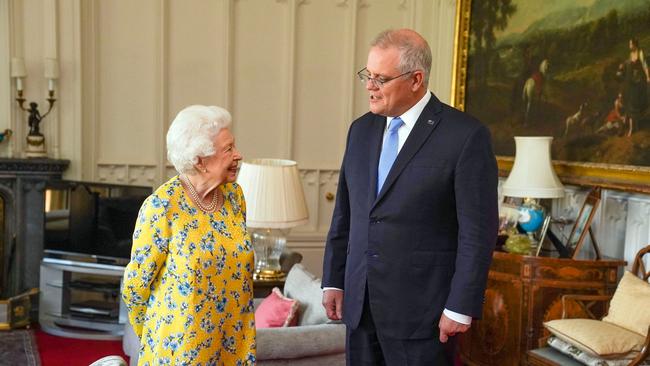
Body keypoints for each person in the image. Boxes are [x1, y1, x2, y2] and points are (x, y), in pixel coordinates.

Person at [321, 29, 498, 365]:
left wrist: (460, 305)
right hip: (360, 307)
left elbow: (478, 233)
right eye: (367, 76)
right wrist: (333, 279)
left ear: (416, 79)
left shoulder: (465, 136)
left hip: (423, 315)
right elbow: (346, 214)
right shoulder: (360, 130)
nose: (370, 86)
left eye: (381, 79)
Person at [122, 105, 255, 365]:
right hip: (179, 350)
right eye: (228, 149)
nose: (238, 155)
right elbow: (136, 287)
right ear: (199, 160)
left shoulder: (234, 197)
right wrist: (154, 334)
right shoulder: (162, 206)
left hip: (233, 346)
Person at [617, 37, 649, 136]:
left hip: (639, 81)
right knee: (627, 99)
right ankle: (629, 127)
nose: (629, 46)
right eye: (629, 44)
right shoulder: (631, 54)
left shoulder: (640, 53)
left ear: (635, 45)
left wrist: (648, 76)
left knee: (634, 102)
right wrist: (622, 66)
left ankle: (633, 128)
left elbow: (645, 65)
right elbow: (628, 64)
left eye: (630, 44)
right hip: (632, 81)